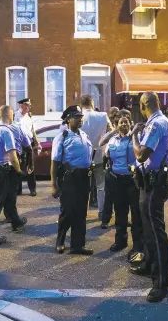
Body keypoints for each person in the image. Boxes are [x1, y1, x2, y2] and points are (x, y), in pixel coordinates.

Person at [129, 92, 168, 303]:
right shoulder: (159, 122)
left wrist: (134, 136)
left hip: (154, 184)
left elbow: (141, 154)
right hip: (149, 182)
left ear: (144, 104)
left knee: (156, 233)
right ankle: (149, 264)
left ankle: (161, 283)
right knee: (148, 229)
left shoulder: (156, 125)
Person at [51, 105, 94, 256]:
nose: (80, 119)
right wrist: (54, 185)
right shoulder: (62, 137)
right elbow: (55, 162)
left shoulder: (84, 135)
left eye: (81, 117)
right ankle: (60, 242)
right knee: (67, 212)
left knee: (81, 213)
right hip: (69, 179)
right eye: (77, 117)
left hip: (84, 178)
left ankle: (78, 245)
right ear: (68, 119)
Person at [102, 116, 143, 259]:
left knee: (136, 213)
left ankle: (138, 244)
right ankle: (120, 241)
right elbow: (103, 147)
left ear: (131, 124)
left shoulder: (135, 138)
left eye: (127, 121)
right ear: (117, 125)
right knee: (120, 212)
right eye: (121, 122)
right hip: (117, 180)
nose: (124, 124)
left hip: (133, 181)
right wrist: (113, 132)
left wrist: (134, 134)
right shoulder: (113, 140)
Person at [0, 106, 25, 247]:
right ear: (10, 116)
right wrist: (19, 171)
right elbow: (13, 156)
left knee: (6, 196)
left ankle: (15, 220)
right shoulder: (6, 131)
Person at [80, 95, 112, 217]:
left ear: (82, 105)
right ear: (92, 104)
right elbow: (111, 131)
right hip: (99, 154)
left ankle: (83, 211)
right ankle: (101, 211)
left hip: (83, 157)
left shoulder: (79, 118)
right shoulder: (103, 116)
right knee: (101, 185)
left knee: (84, 187)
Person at [4, 121, 33, 223]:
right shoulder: (18, 129)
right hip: (14, 161)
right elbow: (29, 148)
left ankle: (8, 215)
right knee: (12, 192)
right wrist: (30, 164)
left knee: (3, 192)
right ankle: (14, 219)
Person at [14, 98, 41, 196]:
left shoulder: (29, 116)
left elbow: (32, 131)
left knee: (31, 166)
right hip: (19, 145)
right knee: (18, 167)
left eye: (29, 105)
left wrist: (37, 143)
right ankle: (18, 189)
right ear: (21, 105)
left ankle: (32, 189)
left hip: (29, 144)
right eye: (27, 105)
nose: (29, 107)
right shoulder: (14, 116)